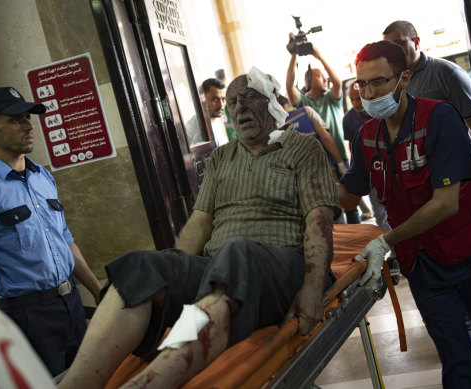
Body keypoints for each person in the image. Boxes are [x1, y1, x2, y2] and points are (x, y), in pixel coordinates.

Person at [58, 67, 340, 389]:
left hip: (281, 265)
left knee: (237, 251)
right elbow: (200, 221)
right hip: (223, 267)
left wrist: (313, 288)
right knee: (143, 265)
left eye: (249, 98)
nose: (239, 108)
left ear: (273, 101)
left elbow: (319, 221)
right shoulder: (221, 158)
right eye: (232, 102)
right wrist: (177, 272)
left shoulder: (304, 148)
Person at [339, 40, 471, 388]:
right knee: (454, 352)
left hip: (469, 249)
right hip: (422, 263)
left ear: (404, 79)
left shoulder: (439, 118)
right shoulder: (366, 136)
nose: (369, 93)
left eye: (379, 82)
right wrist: (309, 176)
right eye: (362, 84)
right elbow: (348, 198)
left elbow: (447, 202)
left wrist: (386, 240)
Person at [0, 87, 102, 377]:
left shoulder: (42, 176)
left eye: (28, 118)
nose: (29, 125)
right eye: (16, 119)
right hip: (28, 317)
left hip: (71, 305)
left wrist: (98, 290)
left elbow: (65, 240)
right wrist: (2, 336)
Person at [382, 20, 471, 198]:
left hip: (458, 170)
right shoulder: (394, 84)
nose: (394, 52)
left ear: (416, 42)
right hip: (420, 176)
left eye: (399, 44)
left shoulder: (446, 73)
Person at [285, 44, 358, 224]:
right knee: (333, 206)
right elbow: (289, 86)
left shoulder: (331, 99)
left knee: (351, 203)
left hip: (340, 155)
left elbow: (337, 82)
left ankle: (357, 242)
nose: (325, 79)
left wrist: (319, 56)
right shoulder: (303, 102)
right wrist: (294, 55)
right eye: (320, 76)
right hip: (321, 162)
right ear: (309, 79)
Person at [342, 85, 376, 223]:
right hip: (369, 171)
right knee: (380, 214)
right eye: (352, 99)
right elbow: (352, 144)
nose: (356, 103)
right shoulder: (348, 119)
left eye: (359, 99)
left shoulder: (380, 110)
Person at [202, 78, 229, 146]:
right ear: (203, 100)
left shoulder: (217, 122)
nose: (221, 105)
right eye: (215, 99)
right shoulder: (199, 128)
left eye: (223, 99)